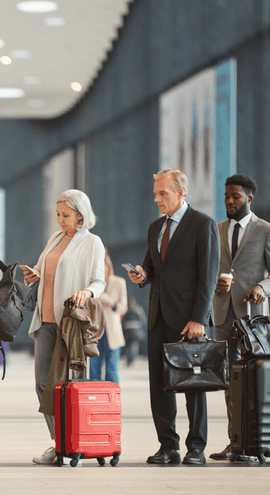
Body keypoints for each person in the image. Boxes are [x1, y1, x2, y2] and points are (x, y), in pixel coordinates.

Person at [127, 169, 219, 466]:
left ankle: (197, 448)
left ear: (181, 192)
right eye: (155, 194)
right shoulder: (155, 227)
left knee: (194, 385)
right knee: (160, 386)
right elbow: (151, 268)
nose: (157, 199)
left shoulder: (202, 225)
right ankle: (168, 446)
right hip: (158, 317)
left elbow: (207, 276)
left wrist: (198, 319)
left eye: (162, 193)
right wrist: (141, 276)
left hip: (188, 321)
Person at [21, 189, 106, 465]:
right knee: (44, 384)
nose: (60, 220)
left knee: (71, 385)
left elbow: (99, 281)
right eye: (57, 214)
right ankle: (60, 443)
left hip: (70, 323)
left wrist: (87, 292)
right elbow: (46, 269)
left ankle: (74, 443)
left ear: (81, 215)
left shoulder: (92, 243)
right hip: (45, 320)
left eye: (65, 215)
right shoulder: (55, 238)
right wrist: (35, 274)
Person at [209, 174, 270, 461]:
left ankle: (255, 443)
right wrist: (215, 282)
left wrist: (261, 288)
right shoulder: (215, 230)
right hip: (223, 315)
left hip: (253, 320)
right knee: (230, 382)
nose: (229, 201)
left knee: (253, 380)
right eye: (227, 196)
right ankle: (236, 441)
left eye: (235, 196)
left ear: (249, 198)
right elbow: (207, 271)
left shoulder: (267, 230)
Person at [89, 251, 127, 383]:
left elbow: (123, 307)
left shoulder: (119, 282)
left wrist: (112, 303)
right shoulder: (91, 284)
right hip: (95, 332)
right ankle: (94, 399)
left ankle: (112, 400)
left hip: (113, 332)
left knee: (111, 369)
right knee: (94, 370)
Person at [121, 298, 147, 366]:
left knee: (129, 345)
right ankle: (132, 359)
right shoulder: (138, 309)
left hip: (127, 330)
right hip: (136, 330)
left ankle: (130, 359)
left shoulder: (126, 309)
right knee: (134, 345)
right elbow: (143, 319)